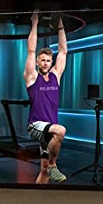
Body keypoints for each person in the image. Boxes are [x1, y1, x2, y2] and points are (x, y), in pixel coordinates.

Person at [24, 9, 69, 184]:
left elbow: (63, 51)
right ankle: (53, 165)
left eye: (48, 60)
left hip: (48, 132)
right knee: (61, 130)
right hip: (35, 126)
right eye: (42, 60)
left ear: (51, 63)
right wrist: (34, 23)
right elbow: (30, 50)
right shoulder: (32, 78)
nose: (45, 63)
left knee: (42, 171)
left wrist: (60, 25)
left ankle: (39, 193)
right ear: (37, 62)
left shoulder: (55, 77)